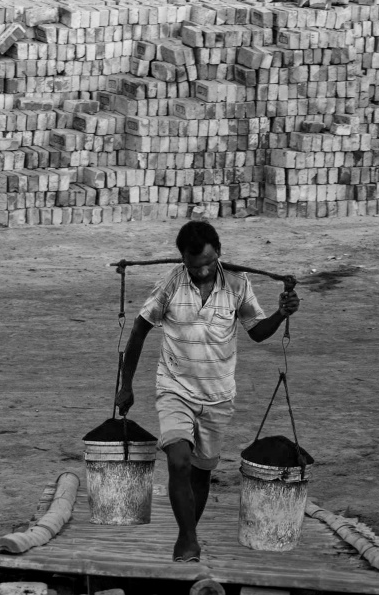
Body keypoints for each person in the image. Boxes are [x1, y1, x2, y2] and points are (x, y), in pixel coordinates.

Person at [114, 221, 299, 563]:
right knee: (179, 461)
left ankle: (190, 533)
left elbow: (257, 332)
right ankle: (186, 541)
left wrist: (281, 313)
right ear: (182, 258)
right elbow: (139, 330)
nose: (200, 272)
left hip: (218, 395)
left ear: (219, 254)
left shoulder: (237, 284)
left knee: (200, 471)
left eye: (207, 263)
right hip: (174, 388)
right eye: (192, 265)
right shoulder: (171, 282)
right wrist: (125, 386)